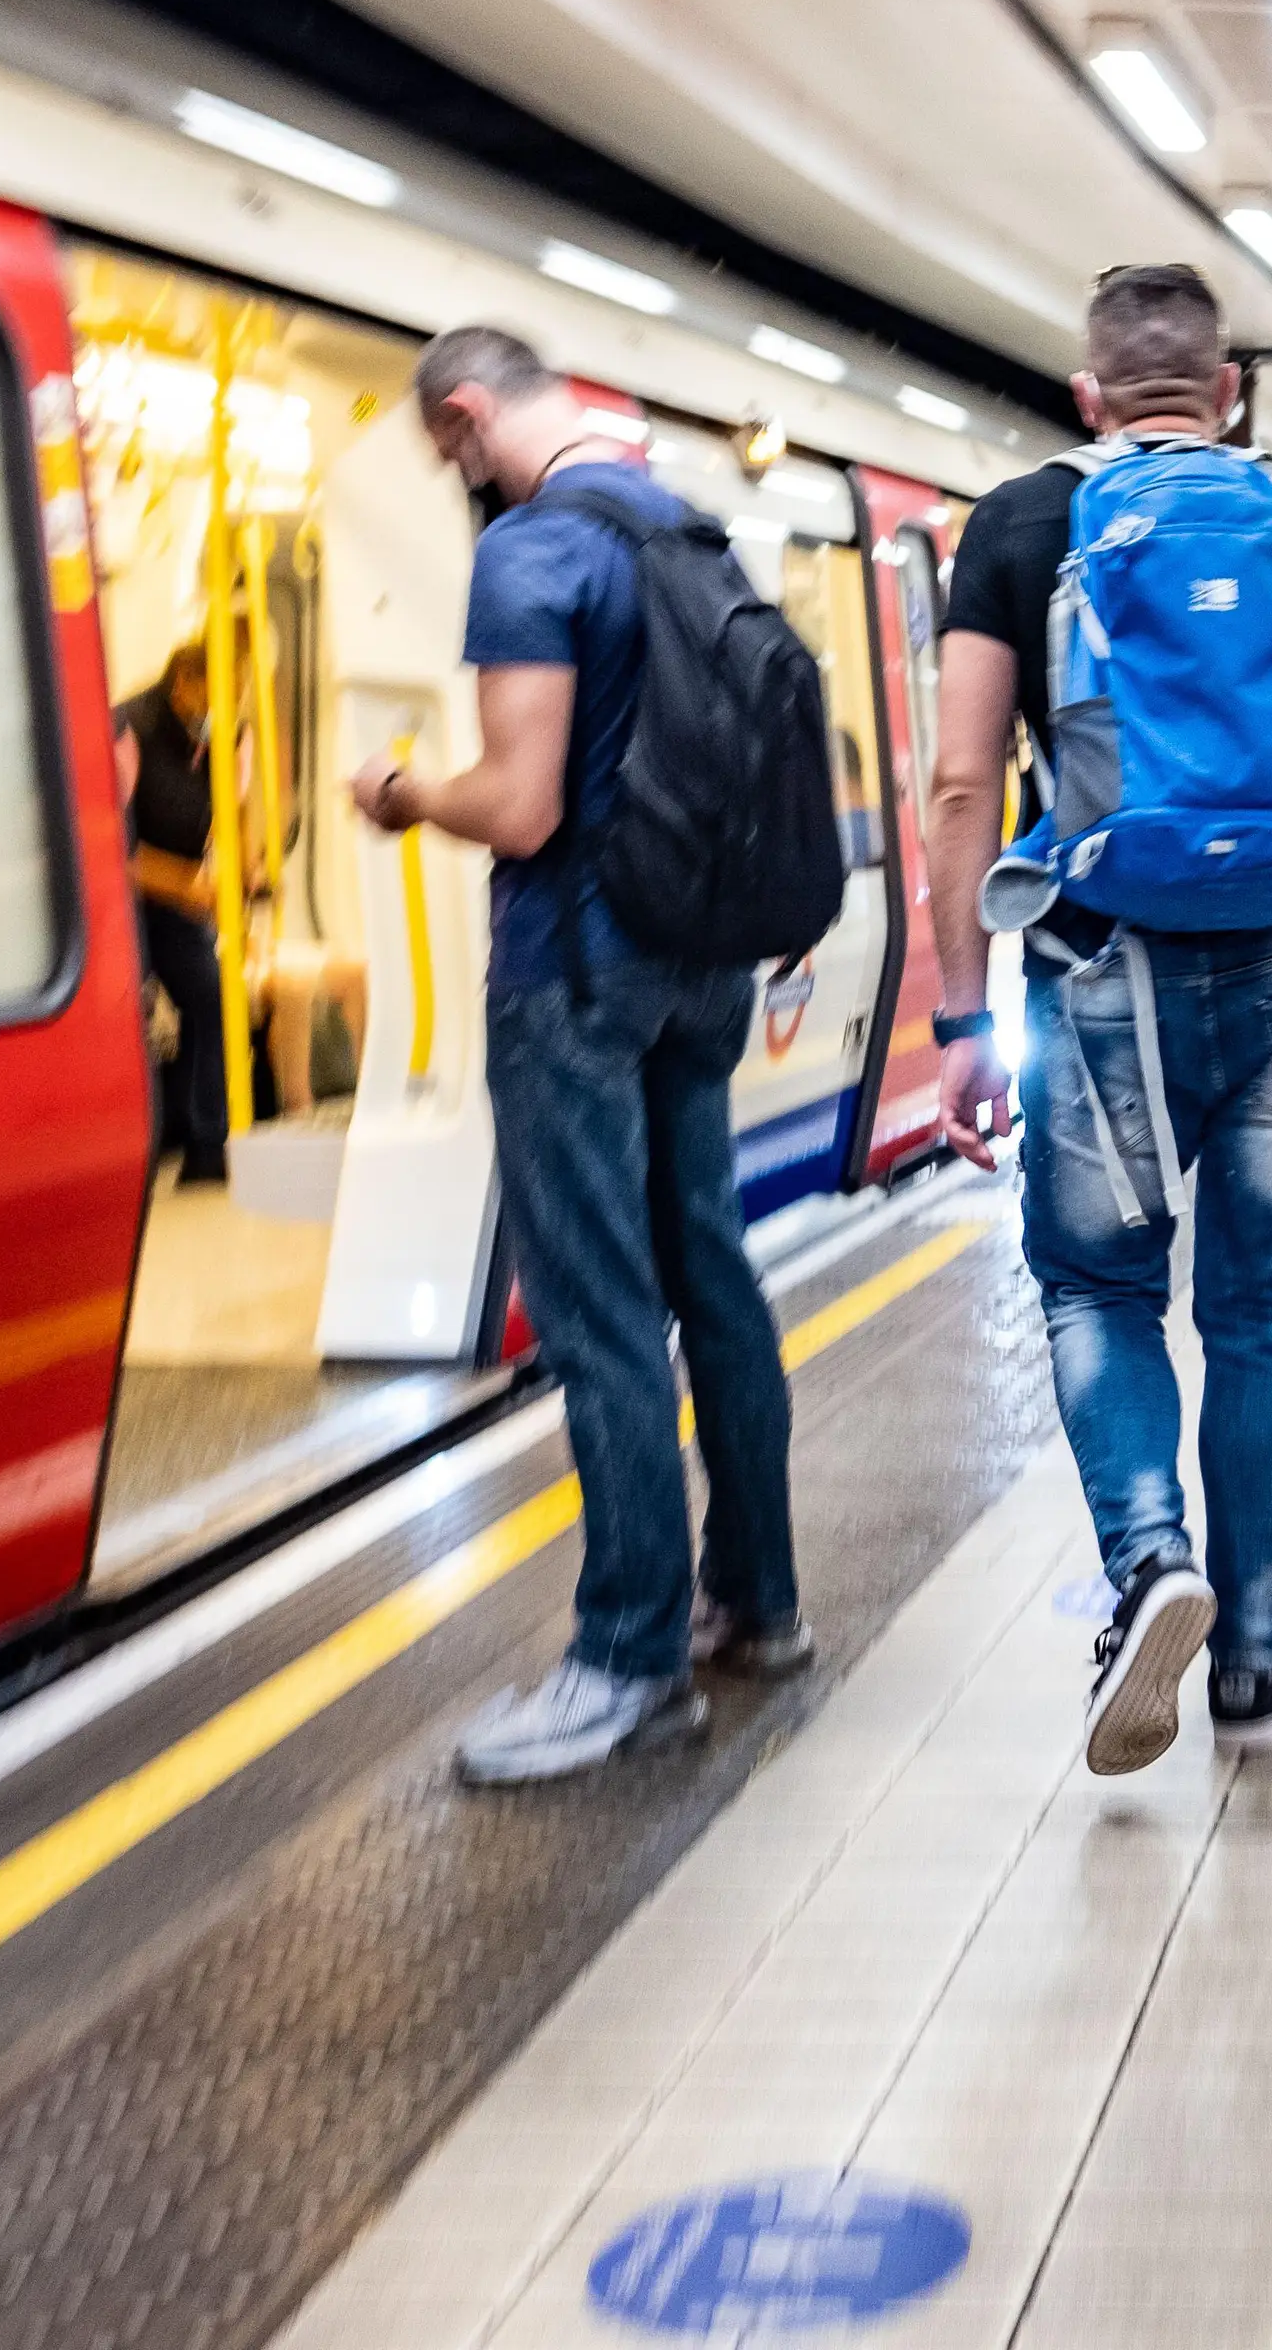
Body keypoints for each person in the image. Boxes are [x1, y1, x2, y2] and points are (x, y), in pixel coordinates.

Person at [925, 263, 1272, 1777]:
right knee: (1259, 1320)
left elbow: (963, 787)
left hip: (1098, 971)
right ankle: (1258, 1662)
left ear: (1087, 396)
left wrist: (966, 1018)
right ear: (1227, 390)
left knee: (1098, 1291)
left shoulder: (1021, 525)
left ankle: (1150, 1558)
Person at [348, 325, 807, 1788]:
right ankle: (760, 1600)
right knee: (711, 1277)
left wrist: (404, 791)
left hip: (576, 977)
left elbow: (524, 804)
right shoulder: (688, 526)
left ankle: (628, 1659)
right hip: (702, 966)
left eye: (452, 457)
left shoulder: (533, 554)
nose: (459, 484)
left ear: (472, 416)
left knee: (603, 1314)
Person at [116, 644, 232, 1186]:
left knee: (213, 995)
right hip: (121, 905)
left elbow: (233, 821)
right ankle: (136, 1147)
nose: (228, 704)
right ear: (184, 681)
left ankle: (207, 1145)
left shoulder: (221, 737)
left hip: (178, 902)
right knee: (128, 1012)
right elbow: (114, 851)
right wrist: (192, 887)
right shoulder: (128, 731)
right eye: (219, 688)